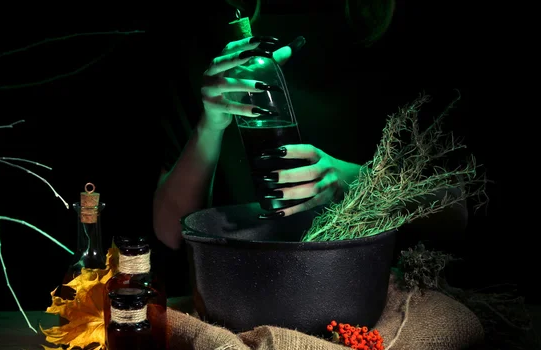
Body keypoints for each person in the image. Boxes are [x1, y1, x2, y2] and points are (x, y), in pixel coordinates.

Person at [150, 0, 469, 296]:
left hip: (376, 297)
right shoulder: (206, 31)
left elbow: (454, 212)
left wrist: (347, 180)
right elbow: (171, 232)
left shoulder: (400, 31)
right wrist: (210, 127)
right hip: (241, 296)